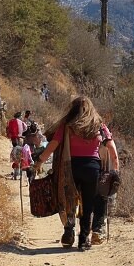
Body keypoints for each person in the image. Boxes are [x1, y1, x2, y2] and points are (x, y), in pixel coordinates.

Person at [34, 96, 120, 251]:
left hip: (71, 168)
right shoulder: (99, 125)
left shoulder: (67, 126)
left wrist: (40, 161)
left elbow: (53, 145)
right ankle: (83, 240)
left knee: (69, 200)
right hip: (93, 168)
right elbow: (112, 150)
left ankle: (69, 230)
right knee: (88, 204)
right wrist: (115, 170)